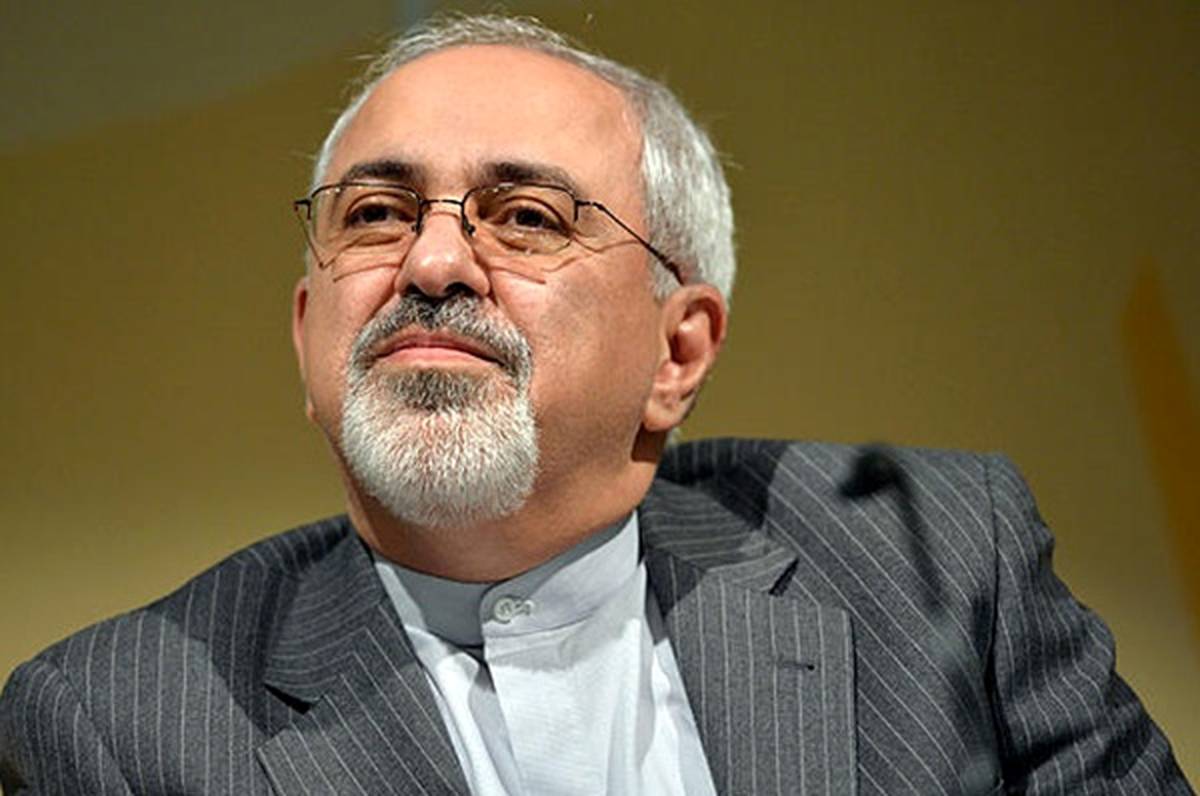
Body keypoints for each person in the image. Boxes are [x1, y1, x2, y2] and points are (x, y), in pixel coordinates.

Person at [0, 13, 1191, 796]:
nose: (431, 263)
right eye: (375, 214)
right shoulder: (117, 724)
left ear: (678, 351)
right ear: (310, 333)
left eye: (525, 217)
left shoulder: (936, 565)